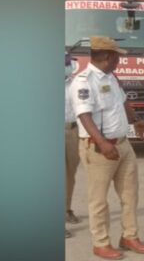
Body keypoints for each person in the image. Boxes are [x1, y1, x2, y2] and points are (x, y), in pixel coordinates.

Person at [69, 36, 144, 259]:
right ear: (107, 56)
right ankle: (101, 242)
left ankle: (129, 236)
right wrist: (102, 143)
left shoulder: (111, 76)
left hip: (123, 145)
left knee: (130, 194)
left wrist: (136, 120)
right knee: (99, 199)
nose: (120, 60)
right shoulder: (84, 81)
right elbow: (83, 115)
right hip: (99, 149)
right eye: (117, 56)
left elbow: (123, 102)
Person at [65, 53, 81, 238]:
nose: (67, 67)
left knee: (70, 175)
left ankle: (67, 210)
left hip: (73, 131)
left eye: (68, 64)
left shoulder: (76, 83)